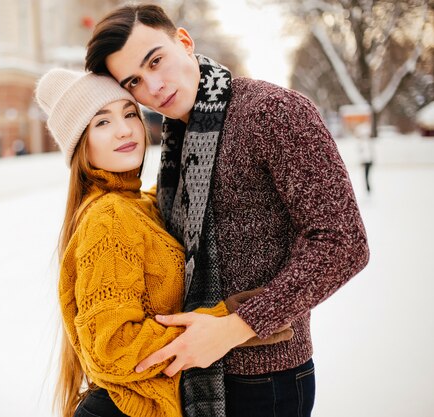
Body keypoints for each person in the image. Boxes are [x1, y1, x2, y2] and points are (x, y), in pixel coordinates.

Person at [85, 4, 370, 417]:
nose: (154, 86)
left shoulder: (271, 112)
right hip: (194, 374)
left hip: (265, 379)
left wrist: (235, 327)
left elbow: (344, 243)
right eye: (135, 81)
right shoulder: (178, 137)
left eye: (156, 60)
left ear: (184, 41)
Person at [35, 69, 292, 417]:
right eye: (101, 123)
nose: (124, 129)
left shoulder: (139, 204)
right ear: (81, 143)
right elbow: (112, 347)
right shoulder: (110, 217)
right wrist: (224, 321)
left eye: (129, 114)